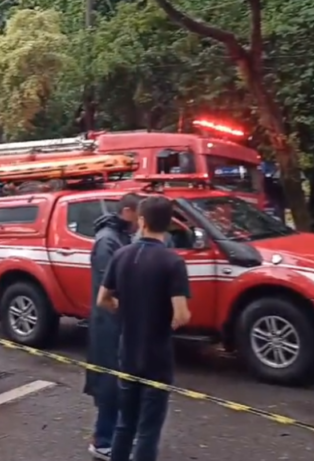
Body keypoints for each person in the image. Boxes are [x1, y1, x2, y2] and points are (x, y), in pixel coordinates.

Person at [97, 196, 192, 461]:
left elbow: (102, 299)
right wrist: (174, 319)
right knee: (148, 430)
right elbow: (182, 314)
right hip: (157, 358)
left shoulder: (121, 255)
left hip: (127, 352)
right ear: (169, 224)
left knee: (125, 424)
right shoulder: (173, 262)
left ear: (142, 221)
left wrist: (123, 307)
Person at [84, 193, 140, 460]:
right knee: (110, 381)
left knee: (121, 379)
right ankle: (103, 439)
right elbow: (111, 285)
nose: (141, 222)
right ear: (127, 211)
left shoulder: (120, 235)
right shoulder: (108, 239)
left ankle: (117, 434)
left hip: (117, 320)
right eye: (138, 215)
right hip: (108, 322)